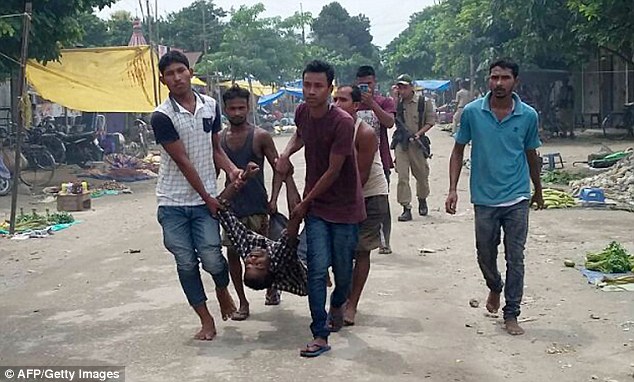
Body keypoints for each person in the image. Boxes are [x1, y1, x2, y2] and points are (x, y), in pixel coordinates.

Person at [445, 58, 544, 336]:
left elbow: (531, 154)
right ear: (489, 80)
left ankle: (511, 312)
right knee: (485, 254)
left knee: (516, 257)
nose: (499, 83)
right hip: (485, 199)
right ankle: (494, 286)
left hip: (516, 197)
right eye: (494, 78)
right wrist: (453, 189)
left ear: (516, 82)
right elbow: (457, 150)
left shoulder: (528, 116)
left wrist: (538, 190)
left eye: (505, 78)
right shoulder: (473, 112)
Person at [276, 60, 366, 358]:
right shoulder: (302, 111)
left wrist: (301, 204)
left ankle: (338, 302)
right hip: (317, 207)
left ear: (330, 88)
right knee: (316, 269)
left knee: (342, 272)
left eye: (318, 86)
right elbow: (301, 134)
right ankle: (319, 333)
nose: (311, 91)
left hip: (344, 207)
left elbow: (333, 170)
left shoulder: (342, 122)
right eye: (307, 85)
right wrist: (286, 152)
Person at [150, 50, 239, 341]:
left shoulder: (211, 106)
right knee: (186, 263)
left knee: (213, 256)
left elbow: (215, 149)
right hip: (173, 202)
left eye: (180, 71)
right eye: (170, 74)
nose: (177, 77)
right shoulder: (162, 116)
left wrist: (232, 169)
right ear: (163, 80)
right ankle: (206, 319)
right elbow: (184, 161)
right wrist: (209, 197)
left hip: (204, 202)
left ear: (190, 72)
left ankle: (222, 289)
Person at [219, 85, 287, 320]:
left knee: (265, 254)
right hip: (231, 210)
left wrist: (275, 198)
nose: (237, 112)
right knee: (233, 255)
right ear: (225, 109)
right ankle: (243, 302)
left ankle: (272, 287)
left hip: (258, 207)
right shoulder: (219, 140)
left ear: (248, 108)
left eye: (241, 108)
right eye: (232, 108)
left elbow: (280, 168)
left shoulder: (260, 136)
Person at [333, 85, 390, 326]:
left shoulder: (364, 132)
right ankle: (341, 296)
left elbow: (361, 176)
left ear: (356, 106)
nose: (336, 104)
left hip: (369, 194)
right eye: (334, 99)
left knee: (362, 249)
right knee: (339, 251)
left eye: (342, 100)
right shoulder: (331, 127)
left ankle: (352, 304)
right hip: (340, 195)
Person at [216, 163, 307, 297]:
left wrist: (243, 178)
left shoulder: (247, 249)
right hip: (305, 266)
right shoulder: (280, 258)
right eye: (258, 265)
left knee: (275, 226)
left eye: (248, 265)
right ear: (270, 266)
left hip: (274, 247)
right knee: (312, 221)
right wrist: (288, 178)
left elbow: (220, 206)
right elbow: (295, 216)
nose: (252, 259)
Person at [355, 65, 396, 255]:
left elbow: (389, 122)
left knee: (381, 202)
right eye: (362, 85)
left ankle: (384, 240)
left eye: (369, 84)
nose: (366, 88)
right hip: (355, 161)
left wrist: (372, 104)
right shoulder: (351, 103)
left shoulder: (384, 101)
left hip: (381, 161)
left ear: (375, 82)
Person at [393, 74, 436, 221]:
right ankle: (406, 207)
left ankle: (422, 199)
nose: (402, 90)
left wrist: (419, 134)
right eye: (399, 87)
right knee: (402, 177)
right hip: (402, 143)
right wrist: (394, 98)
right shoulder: (397, 102)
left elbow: (430, 121)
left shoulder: (423, 102)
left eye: (404, 87)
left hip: (417, 144)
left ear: (411, 87)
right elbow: (390, 117)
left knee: (422, 176)